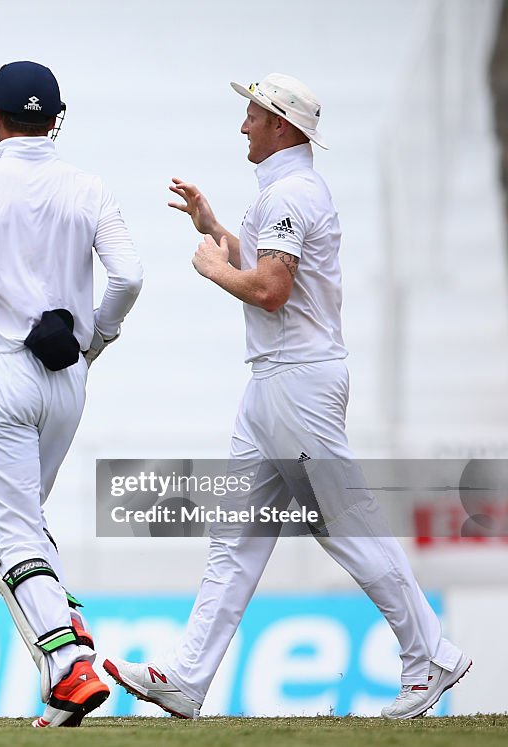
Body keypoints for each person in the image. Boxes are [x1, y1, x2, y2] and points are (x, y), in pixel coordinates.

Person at [102, 73, 470, 720]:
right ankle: (187, 680)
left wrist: (214, 268)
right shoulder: (287, 191)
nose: (242, 125)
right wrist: (213, 226)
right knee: (236, 534)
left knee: (344, 525)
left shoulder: (291, 193)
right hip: (275, 380)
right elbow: (276, 268)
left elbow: (270, 290)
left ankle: (430, 653)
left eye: (251, 115)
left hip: (297, 379)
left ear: (282, 126)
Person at [0, 61, 143, 728]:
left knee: (6, 529)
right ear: (55, 118)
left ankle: (68, 657)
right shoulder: (89, 187)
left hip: (0, 372)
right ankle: (62, 662)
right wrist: (95, 338)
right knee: (26, 521)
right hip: (68, 375)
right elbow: (127, 275)